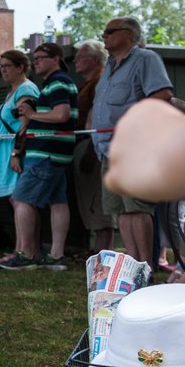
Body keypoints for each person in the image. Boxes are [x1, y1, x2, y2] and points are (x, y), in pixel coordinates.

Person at [92, 17, 173, 263]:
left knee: (137, 207)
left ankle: (146, 266)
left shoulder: (145, 59)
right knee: (121, 211)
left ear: (128, 34)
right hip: (107, 149)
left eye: (110, 31)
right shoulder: (109, 66)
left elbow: (162, 94)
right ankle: (134, 265)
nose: (104, 36)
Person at [1, 42, 78, 271]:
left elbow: (61, 114)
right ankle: (55, 257)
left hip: (45, 152)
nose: (35, 63)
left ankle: (25, 255)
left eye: (40, 58)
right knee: (57, 202)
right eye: (34, 59)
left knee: (21, 199)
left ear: (56, 58)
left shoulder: (57, 82)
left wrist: (33, 114)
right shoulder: (61, 82)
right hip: (57, 153)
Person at [0, 50, 39, 245]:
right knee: (16, 201)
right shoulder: (14, 90)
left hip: (14, 154)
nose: (3, 70)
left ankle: (26, 251)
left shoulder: (25, 90)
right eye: (1, 66)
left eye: (7, 66)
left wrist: (15, 153)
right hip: (4, 154)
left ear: (20, 67)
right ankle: (21, 249)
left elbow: (26, 124)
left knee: (21, 200)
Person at [71, 39, 114, 253]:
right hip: (86, 144)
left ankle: (102, 252)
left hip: (94, 146)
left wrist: (91, 150)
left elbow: (98, 120)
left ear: (95, 59)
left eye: (81, 57)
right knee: (90, 200)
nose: (76, 61)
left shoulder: (101, 82)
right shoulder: (90, 84)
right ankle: (96, 251)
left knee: (97, 201)